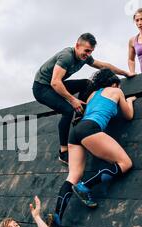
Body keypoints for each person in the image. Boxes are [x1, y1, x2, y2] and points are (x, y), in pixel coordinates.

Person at [33, 33, 134, 165]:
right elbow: (55, 82)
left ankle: (80, 116)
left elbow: (104, 66)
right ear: (77, 46)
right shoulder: (67, 57)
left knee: (86, 83)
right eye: (86, 51)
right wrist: (73, 100)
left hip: (54, 85)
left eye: (90, 52)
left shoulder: (85, 57)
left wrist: (125, 73)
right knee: (68, 110)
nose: (87, 54)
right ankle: (63, 152)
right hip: (42, 88)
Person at [53, 69, 137, 225]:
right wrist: (129, 101)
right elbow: (128, 116)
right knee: (125, 163)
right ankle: (86, 186)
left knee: (73, 176)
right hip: (90, 129)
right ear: (114, 83)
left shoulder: (92, 95)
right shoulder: (116, 91)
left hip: (76, 132)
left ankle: (56, 218)